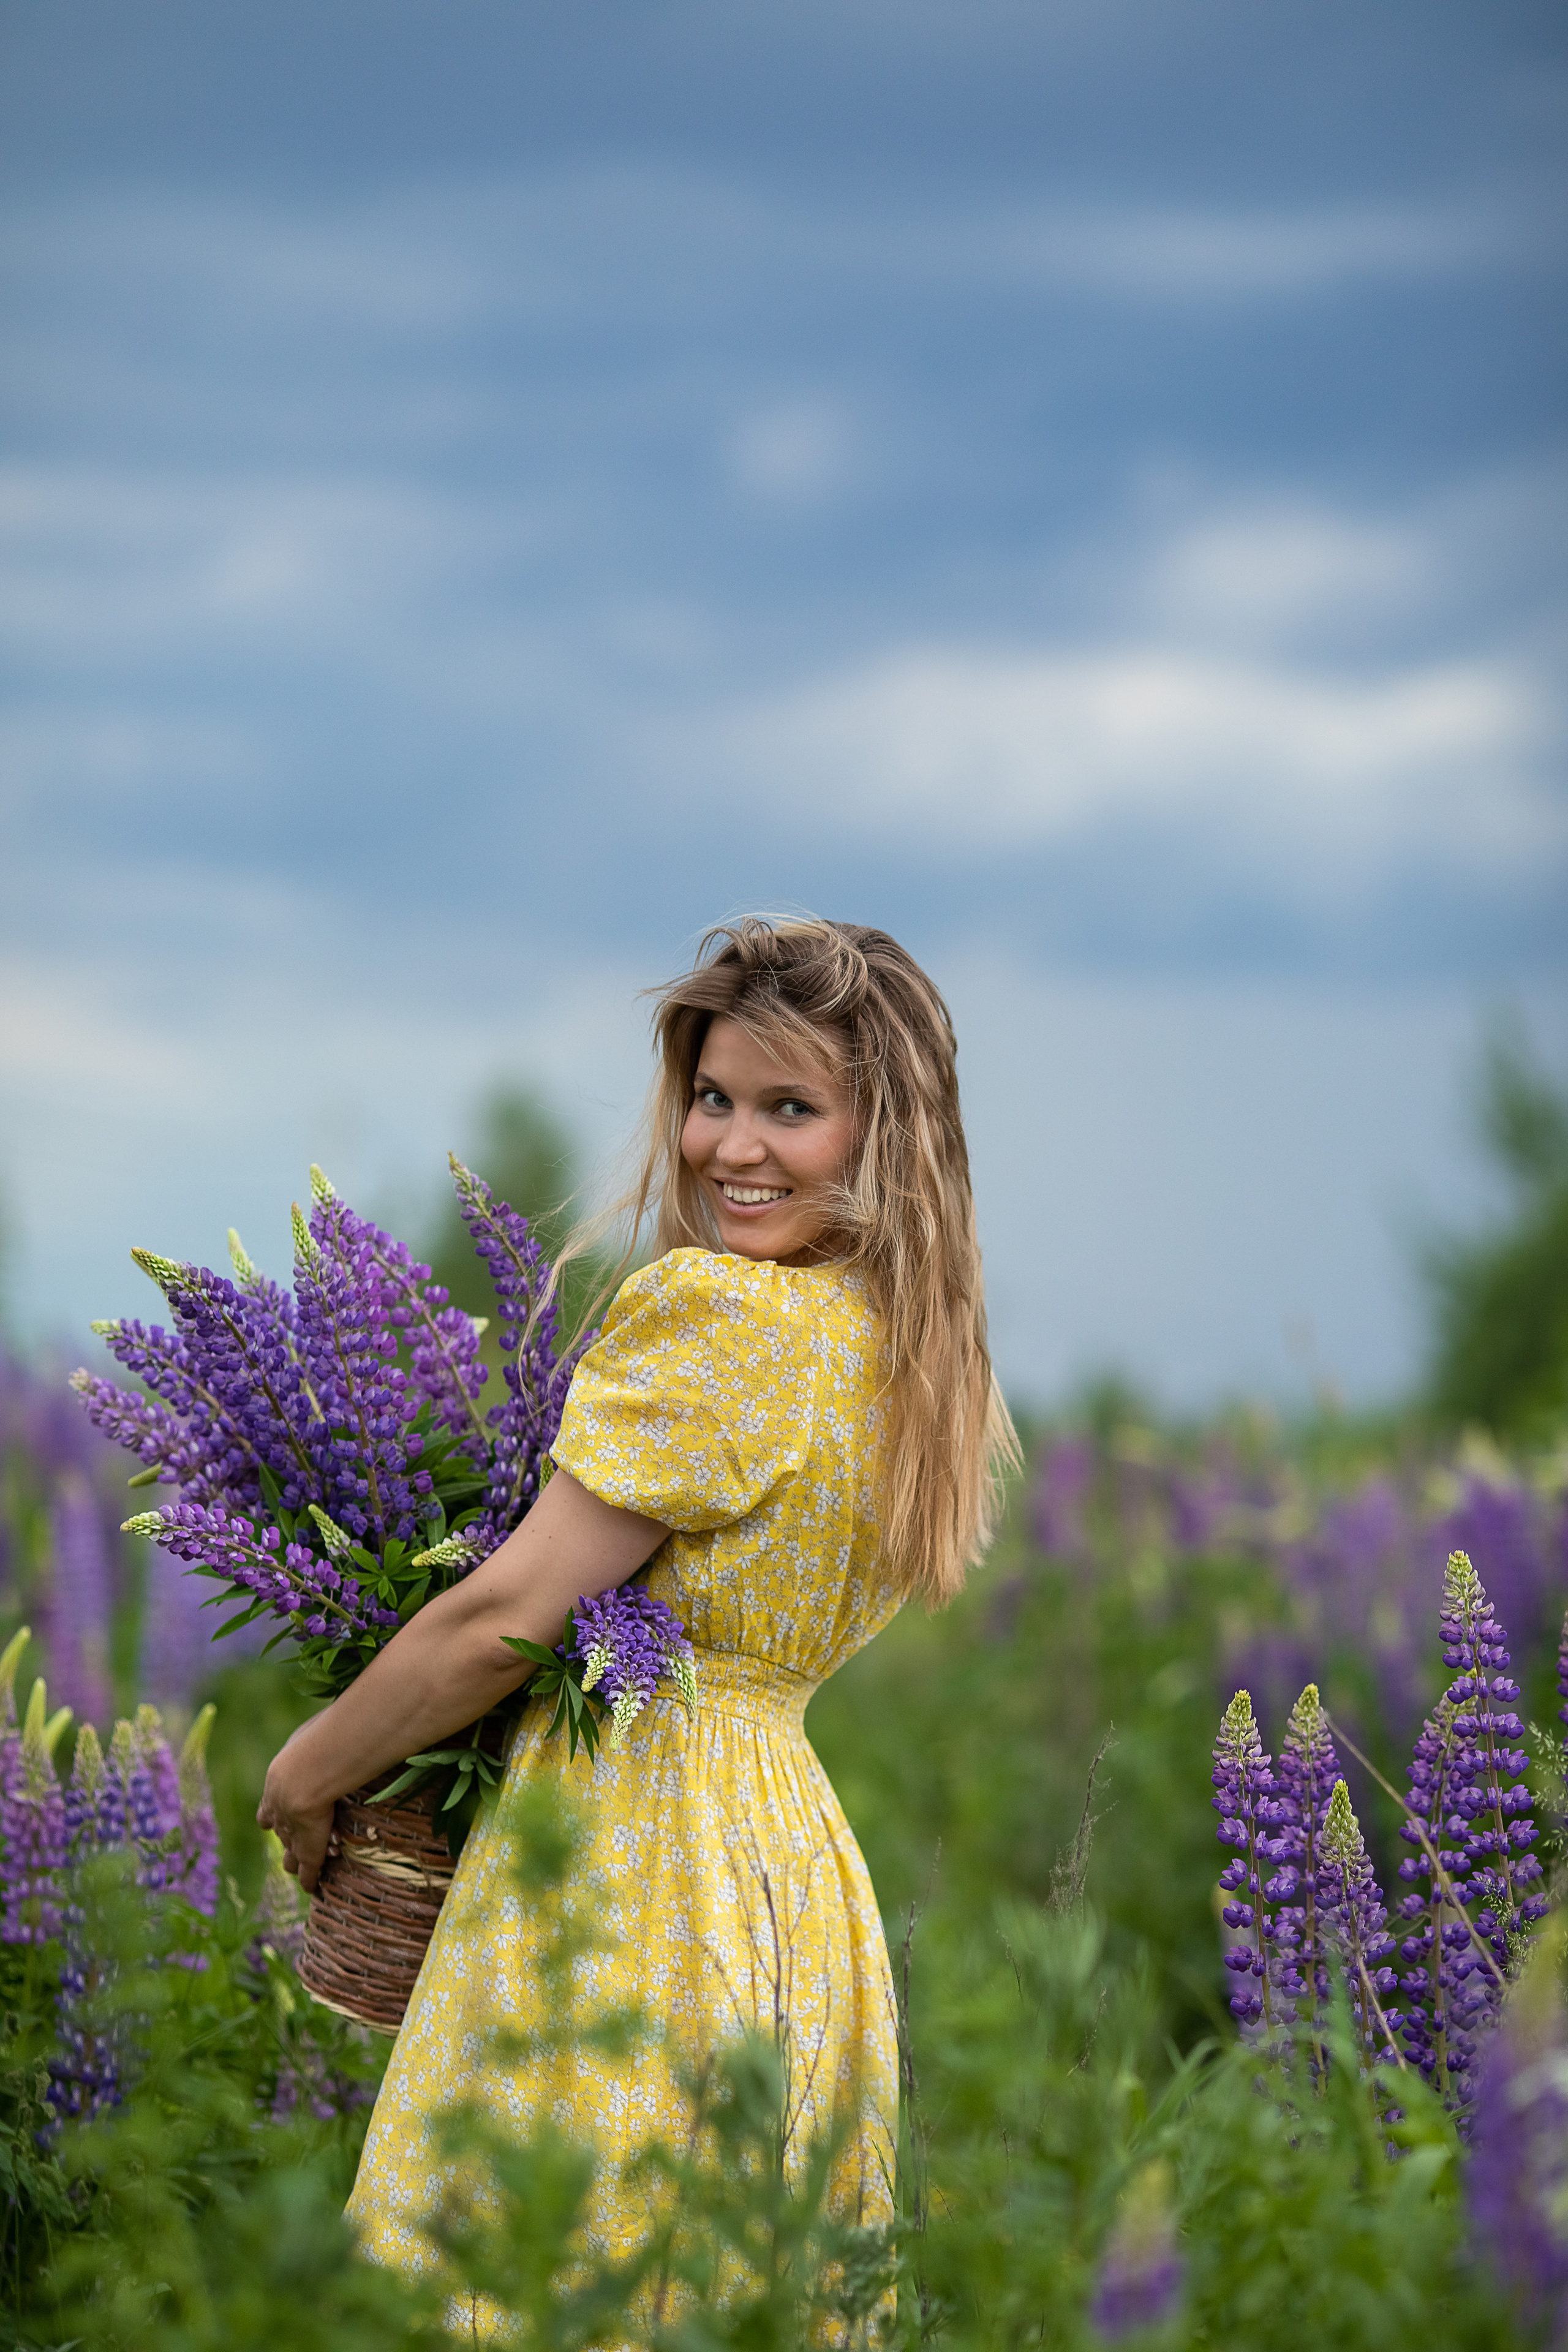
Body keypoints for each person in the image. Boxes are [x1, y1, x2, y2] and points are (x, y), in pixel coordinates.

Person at [258, 915, 1017, 2304]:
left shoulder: (725, 1321)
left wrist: (312, 1770)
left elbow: (509, 1612)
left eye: (791, 1108)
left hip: (640, 1862)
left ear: (878, 1135)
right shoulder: (892, 1343)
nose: (731, 1146)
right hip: (787, 1882)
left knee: (514, 2280)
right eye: (713, 1098)